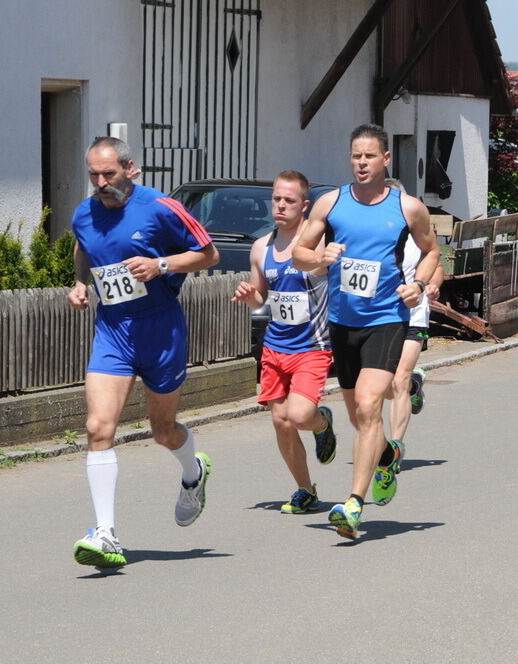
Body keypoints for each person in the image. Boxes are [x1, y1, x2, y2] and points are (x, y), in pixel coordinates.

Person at [68, 137, 219, 569]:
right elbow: (84, 247)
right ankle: (106, 533)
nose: (101, 183)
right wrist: (81, 283)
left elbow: (208, 253)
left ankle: (194, 473)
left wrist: (162, 266)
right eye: (94, 175)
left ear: (130, 168)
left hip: (160, 329)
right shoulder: (85, 212)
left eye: (109, 174)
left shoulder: (160, 207)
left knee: (162, 428)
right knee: (98, 426)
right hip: (113, 330)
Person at [293, 124, 440, 540]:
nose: (361, 163)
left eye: (369, 156)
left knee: (372, 404)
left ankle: (354, 504)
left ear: (385, 159)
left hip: (387, 318)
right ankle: (387, 454)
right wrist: (321, 256)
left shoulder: (407, 207)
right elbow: (300, 254)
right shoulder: (331, 203)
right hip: (342, 321)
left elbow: (431, 251)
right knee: (360, 417)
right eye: (356, 156)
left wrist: (418, 284)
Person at [230, 170, 338, 514]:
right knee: (281, 422)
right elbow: (261, 294)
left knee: (300, 414)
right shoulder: (261, 247)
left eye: (289, 200)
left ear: (304, 206)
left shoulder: (316, 244)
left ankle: (322, 422)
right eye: (276, 198)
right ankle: (305, 489)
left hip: (312, 347)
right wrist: (250, 296)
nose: (280, 205)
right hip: (275, 346)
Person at [382, 179, 444, 462]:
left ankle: (395, 447)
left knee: (398, 380)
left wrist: (432, 285)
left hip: (414, 313)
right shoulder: (375, 235)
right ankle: (414, 385)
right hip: (380, 316)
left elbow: (437, 265)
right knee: (385, 387)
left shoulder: (416, 232)